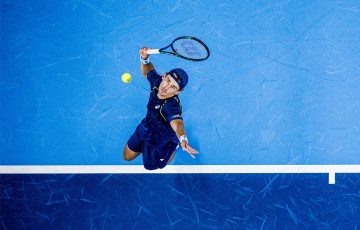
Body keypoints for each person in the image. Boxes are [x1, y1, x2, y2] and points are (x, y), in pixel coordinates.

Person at [122, 47, 199, 170]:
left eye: (173, 87)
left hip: (161, 139)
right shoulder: (157, 82)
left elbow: (178, 125)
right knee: (127, 156)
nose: (166, 87)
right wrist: (144, 59)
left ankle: (174, 146)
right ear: (164, 76)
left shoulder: (171, 106)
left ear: (178, 92)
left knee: (154, 165)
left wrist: (183, 139)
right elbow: (148, 71)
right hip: (146, 126)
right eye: (168, 80)